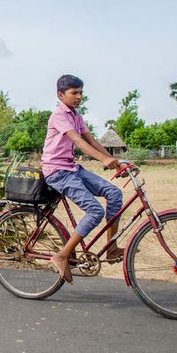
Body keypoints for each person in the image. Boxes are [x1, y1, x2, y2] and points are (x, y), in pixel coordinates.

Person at [42, 75, 125, 283]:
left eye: (81, 93)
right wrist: (102, 160)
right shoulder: (58, 116)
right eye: (74, 93)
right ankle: (61, 255)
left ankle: (111, 248)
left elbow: (91, 140)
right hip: (57, 171)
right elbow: (78, 141)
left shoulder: (76, 116)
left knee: (114, 193)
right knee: (95, 210)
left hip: (72, 168)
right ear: (61, 95)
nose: (79, 96)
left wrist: (112, 160)